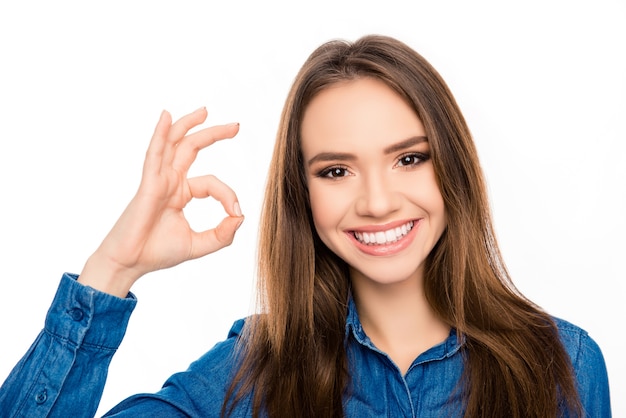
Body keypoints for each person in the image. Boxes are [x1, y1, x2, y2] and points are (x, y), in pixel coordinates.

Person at [0, 35, 610, 418]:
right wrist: (114, 268)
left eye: (409, 158)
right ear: (303, 195)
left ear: (452, 166)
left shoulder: (564, 364)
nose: (376, 202)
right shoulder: (252, 371)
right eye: (337, 170)